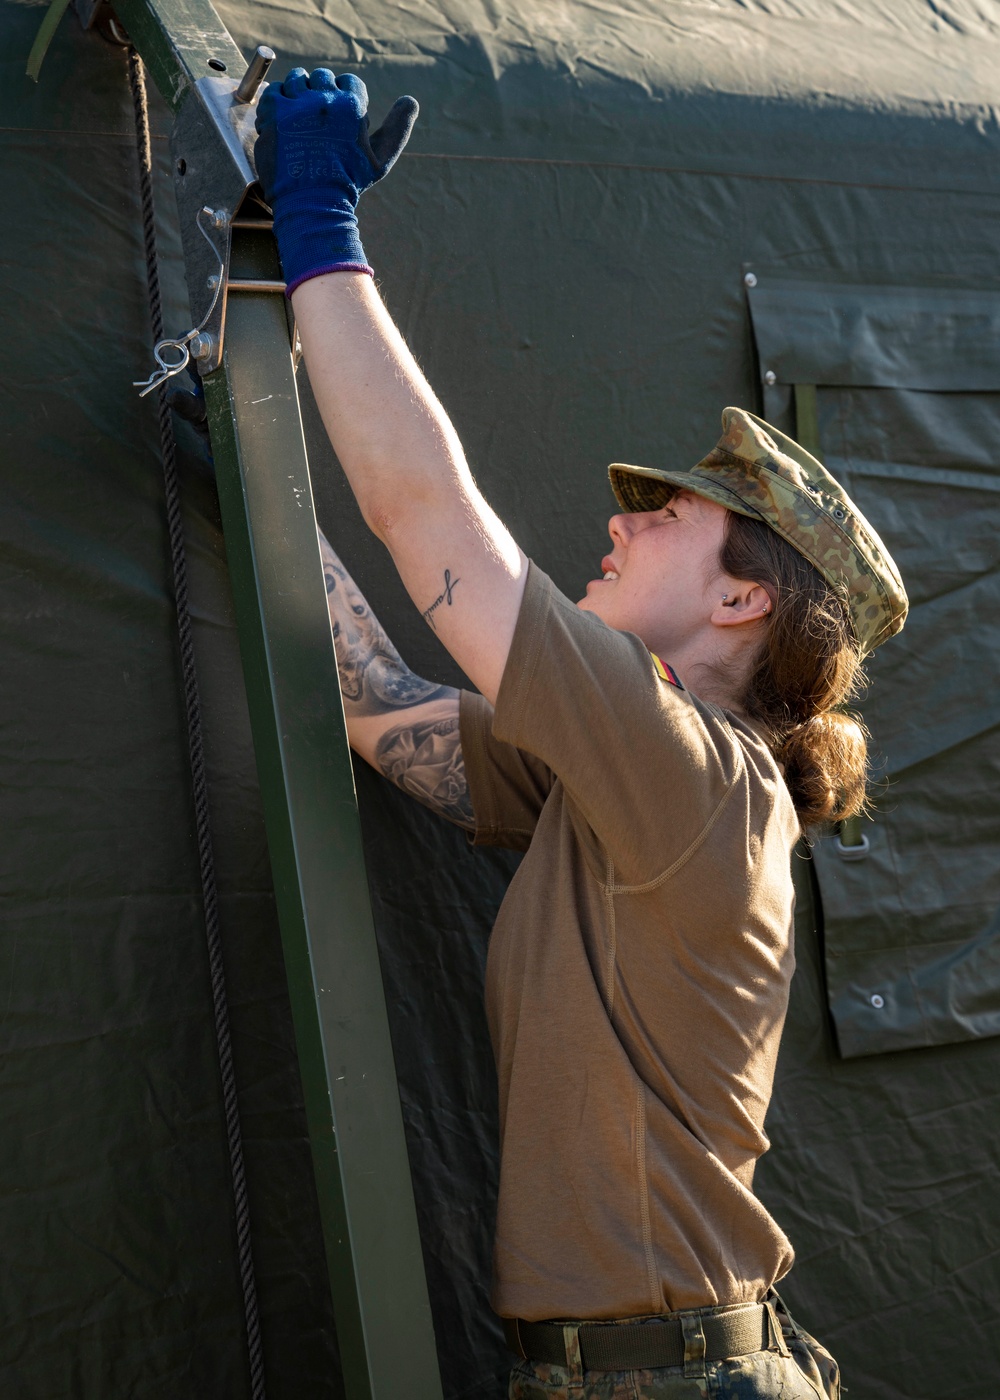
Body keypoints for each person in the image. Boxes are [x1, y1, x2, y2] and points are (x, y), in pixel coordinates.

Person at [254, 70, 907, 1400]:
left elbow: (429, 514)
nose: (620, 519)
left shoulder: (701, 777)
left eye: (666, 515)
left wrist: (320, 225)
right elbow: (377, 705)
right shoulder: (607, 781)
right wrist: (256, 470)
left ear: (742, 598)